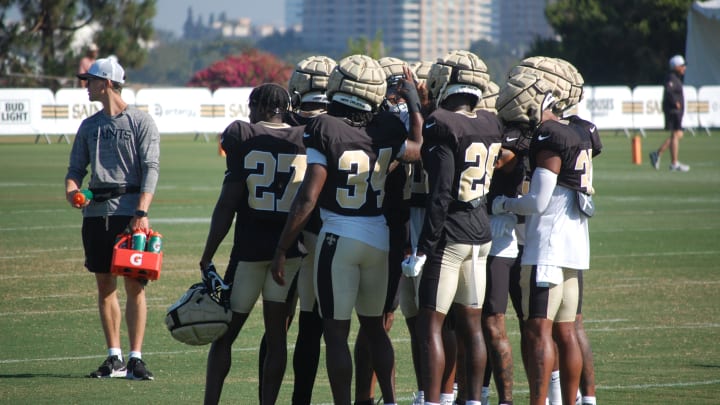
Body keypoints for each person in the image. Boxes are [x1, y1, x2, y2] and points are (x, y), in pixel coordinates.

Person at [270, 54, 423, 405]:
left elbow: (308, 198)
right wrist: (414, 100)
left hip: (339, 236)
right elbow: (416, 147)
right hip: (379, 237)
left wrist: (282, 247)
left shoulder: (324, 127)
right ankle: (389, 400)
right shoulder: (386, 126)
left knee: (336, 334)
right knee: (374, 330)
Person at [493, 66, 602, 405]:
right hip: (576, 248)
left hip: (547, 250)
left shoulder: (549, 135)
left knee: (540, 329)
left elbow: (538, 202)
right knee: (567, 330)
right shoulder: (581, 130)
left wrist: (504, 204)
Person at [199, 83, 306, 405]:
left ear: (259, 105)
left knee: (224, 336)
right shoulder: (305, 136)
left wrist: (208, 254)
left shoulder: (242, 134)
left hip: (248, 251)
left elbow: (227, 204)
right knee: (276, 340)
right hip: (288, 253)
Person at [414, 49, 503, 405]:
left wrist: (424, 245)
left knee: (430, 326)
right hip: (481, 232)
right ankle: (474, 400)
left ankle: (434, 401)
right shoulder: (491, 122)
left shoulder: (441, 122)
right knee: (471, 325)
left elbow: (440, 192)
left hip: (450, 233)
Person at [66, 57, 159, 381]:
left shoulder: (140, 121)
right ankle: (114, 357)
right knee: (104, 285)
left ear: (105, 82)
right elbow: (76, 170)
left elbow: (151, 168)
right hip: (95, 215)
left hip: (129, 214)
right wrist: (72, 190)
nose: (85, 86)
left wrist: (142, 213)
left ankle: (136, 358)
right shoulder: (89, 126)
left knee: (135, 286)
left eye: (89, 80)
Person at [256, 55, 336, 405]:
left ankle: (267, 399)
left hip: (284, 233)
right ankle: (300, 399)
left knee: (277, 327)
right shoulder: (338, 124)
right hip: (320, 234)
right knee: (310, 325)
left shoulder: (280, 121)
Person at [649, 54, 689, 172]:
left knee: (678, 134)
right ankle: (674, 163)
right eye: (682, 66)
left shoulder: (676, 78)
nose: (684, 68)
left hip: (677, 111)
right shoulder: (671, 78)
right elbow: (669, 91)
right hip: (673, 111)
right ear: (676, 66)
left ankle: (657, 153)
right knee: (676, 134)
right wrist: (675, 102)